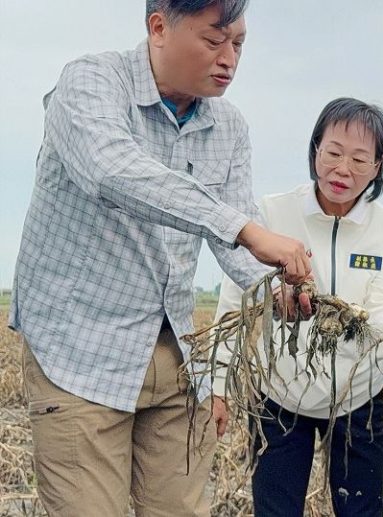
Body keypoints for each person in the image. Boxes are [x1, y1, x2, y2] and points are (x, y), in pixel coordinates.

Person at [9, 1, 312, 515]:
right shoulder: (90, 84)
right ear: (158, 28)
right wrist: (244, 228)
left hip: (176, 358)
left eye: (238, 43)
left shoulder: (230, 128)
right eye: (213, 41)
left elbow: (235, 244)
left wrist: (277, 287)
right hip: (78, 351)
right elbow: (112, 171)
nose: (229, 59)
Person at [214, 97, 383, 517]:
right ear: (315, 150)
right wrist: (218, 388)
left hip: (358, 395)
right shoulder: (272, 213)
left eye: (360, 159)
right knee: (275, 509)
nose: (343, 170)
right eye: (333, 153)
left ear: (378, 166)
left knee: (361, 510)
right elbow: (235, 301)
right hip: (280, 393)